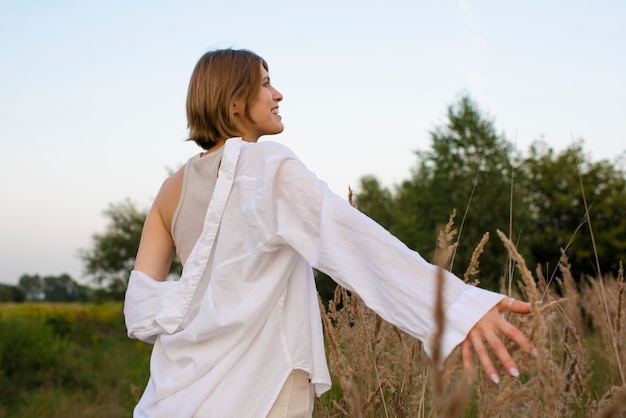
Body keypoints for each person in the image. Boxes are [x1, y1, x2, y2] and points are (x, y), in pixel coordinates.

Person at [124, 48, 535, 417]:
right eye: (265, 83)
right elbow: (350, 239)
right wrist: (455, 306)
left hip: (175, 397)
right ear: (234, 103)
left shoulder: (168, 192)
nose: (278, 94)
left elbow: (141, 305)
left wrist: (206, 302)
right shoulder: (266, 166)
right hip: (261, 388)